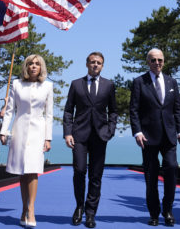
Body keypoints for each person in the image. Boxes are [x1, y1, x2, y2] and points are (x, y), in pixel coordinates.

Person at [129, 48, 180, 227]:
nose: (157, 63)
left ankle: (167, 209)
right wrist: (137, 132)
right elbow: (134, 110)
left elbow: (177, 109)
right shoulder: (139, 82)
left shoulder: (172, 82)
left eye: (160, 60)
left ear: (164, 61)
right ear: (148, 62)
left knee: (171, 170)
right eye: (153, 60)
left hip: (169, 137)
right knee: (151, 177)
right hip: (148, 137)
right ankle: (154, 213)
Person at [63, 52, 118, 228]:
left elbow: (114, 111)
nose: (95, 65)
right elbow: (68, 110)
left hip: (100, 136)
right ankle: (79, 207)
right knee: (79, 171)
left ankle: (90, 213)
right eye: (93, 62)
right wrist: (67, 132)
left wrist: (110, 130)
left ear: (102, 66)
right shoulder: (76, 84)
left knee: (96, 176)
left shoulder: (109, 85)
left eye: (99, 63)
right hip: (79, 135)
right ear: (87, 64)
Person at [0, 54, 53, 228]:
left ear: (41, 67)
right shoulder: (16, 84)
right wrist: (4, 131)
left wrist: (48, 138)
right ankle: (23, 209)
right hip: (20, 130)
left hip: (38, 131)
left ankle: (31, 210)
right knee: (22, 172)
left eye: (37, 64)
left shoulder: (48, 86)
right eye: (30, 63)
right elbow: (9, 111)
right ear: (26, 66)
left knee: (33, 170)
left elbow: (49, 114)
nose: (33, 66)